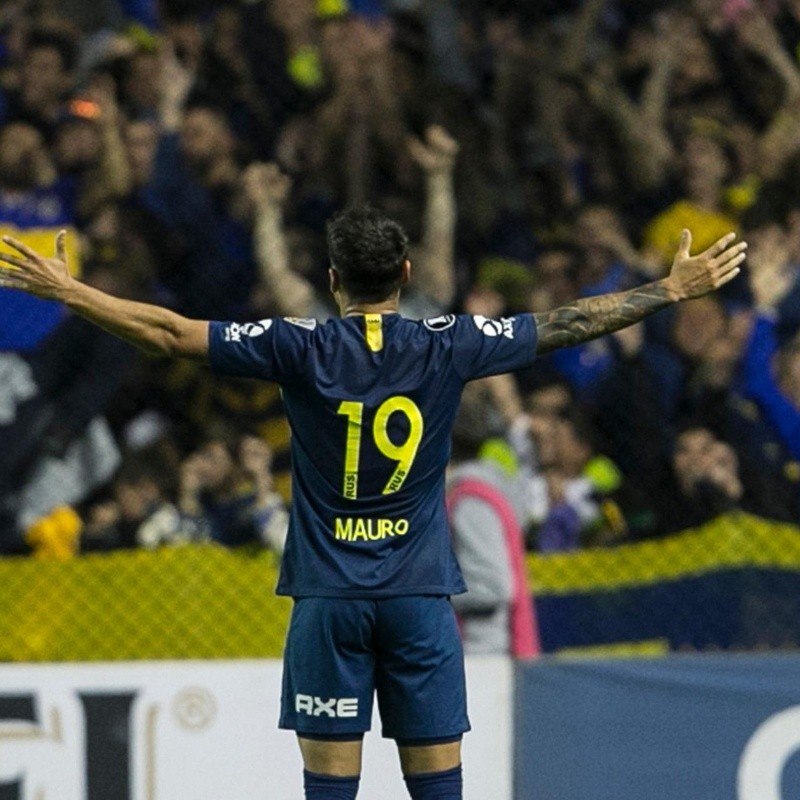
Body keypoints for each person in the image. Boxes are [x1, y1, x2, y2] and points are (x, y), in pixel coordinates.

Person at [0, 208, 745, 800]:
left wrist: (71, 292)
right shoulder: (448, 343)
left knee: (328, 792)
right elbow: (564, 323)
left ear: (333, 281)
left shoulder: (300, 345)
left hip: (329, 601)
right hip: (418, 599)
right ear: (407, 275)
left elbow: (167, 332)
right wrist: (669, 291)